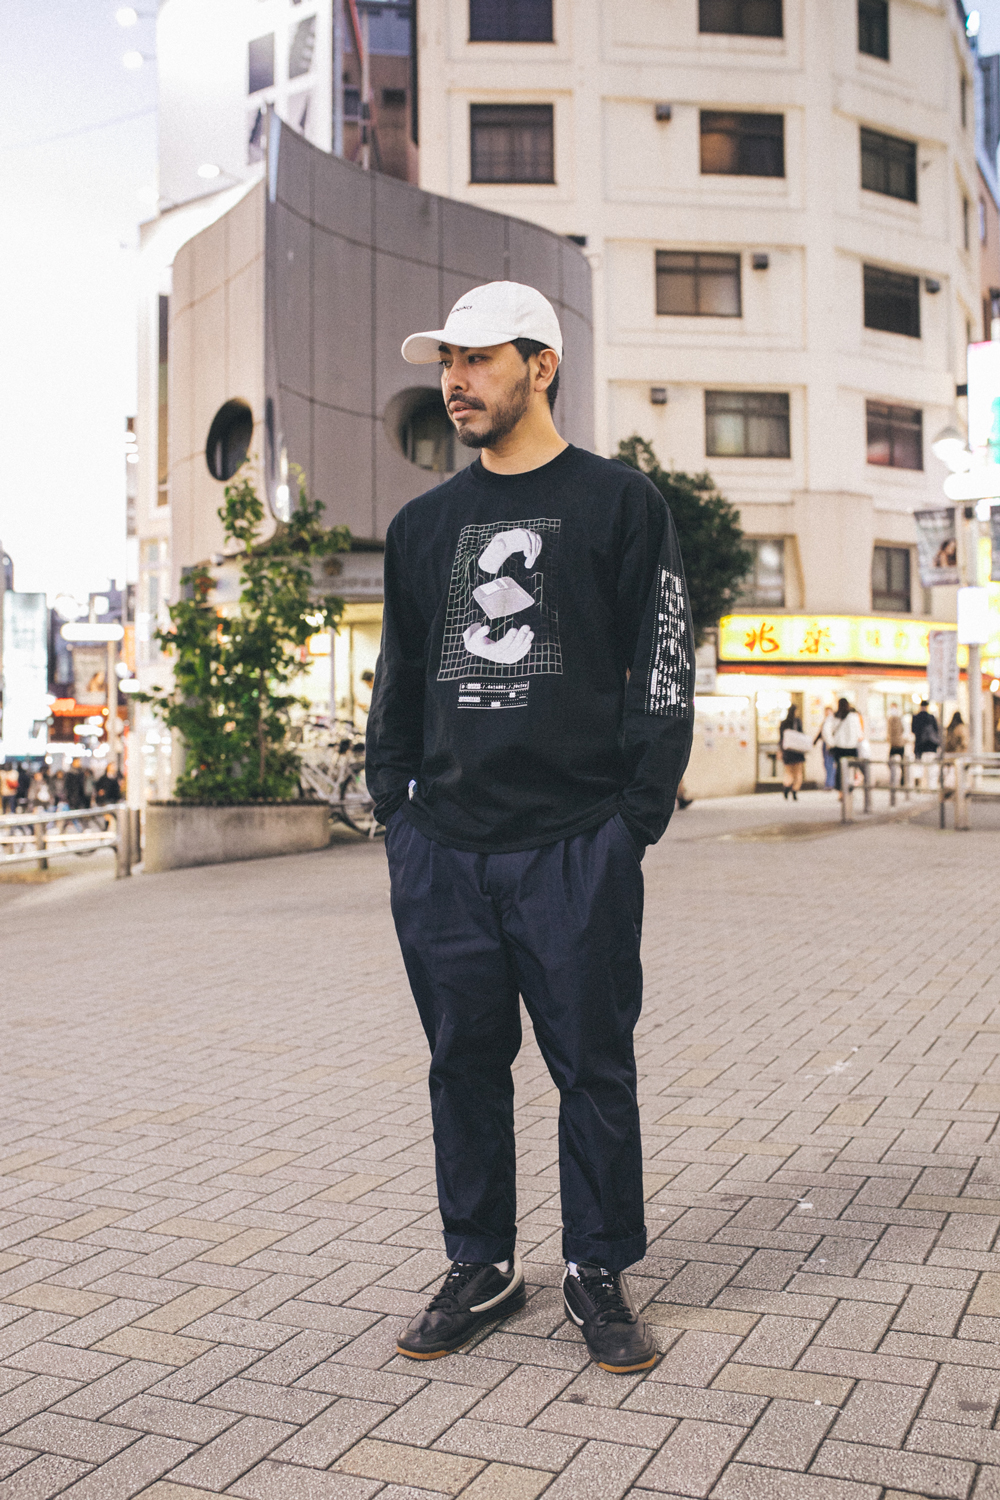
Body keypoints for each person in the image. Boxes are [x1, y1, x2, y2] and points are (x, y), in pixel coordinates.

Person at [367, 281, 695, 1373]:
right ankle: (482, 1264)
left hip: (577, 843)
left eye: (477, 359)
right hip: (445, 849)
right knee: (461, 1062)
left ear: (540, 365)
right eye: (445, 362)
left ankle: (596, 1268)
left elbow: (663, 662)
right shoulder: (422, 527)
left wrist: (632, 820)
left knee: (591, 1066)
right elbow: (399, 681)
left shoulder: (620, 503)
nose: (454, 381)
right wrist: (396, 814)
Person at [831, 697, 863, 798]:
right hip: (851, 748)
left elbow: (828, 730)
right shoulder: (853, 716)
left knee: (839, 770)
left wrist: (831, 742)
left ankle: (841, 792)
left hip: (839, 748)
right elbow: (859, 732)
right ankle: (849, 791)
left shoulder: (835, 716)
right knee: (851, 770)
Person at [911, 699, 941, 788]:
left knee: (919, 767)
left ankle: (919, 785)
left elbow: (913, 730)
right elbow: (936, 731)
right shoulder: (931, 717)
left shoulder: (916, 717)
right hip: (931, 747)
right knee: (931, 769)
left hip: (919, 746)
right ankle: (931, 787)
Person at [779, 705, 805, 800]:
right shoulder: (797, 722)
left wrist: (780, 750)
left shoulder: (784, 723)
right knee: (798, 772)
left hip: (787, 751)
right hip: (797, 750)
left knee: (788, 771)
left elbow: (781, 738)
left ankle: (787, 786)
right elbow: (802, 735)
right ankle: (795, 789)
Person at [814, 705, 837, 790]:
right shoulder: (826, 721)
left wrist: (830, 743)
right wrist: (814, 742)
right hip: (825, 743)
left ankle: (830, 783)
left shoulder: (831, 720)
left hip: (829, 744)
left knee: (829, 763)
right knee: (827, 763)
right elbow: (821, 732)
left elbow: (829, 733)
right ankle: (829, 782)